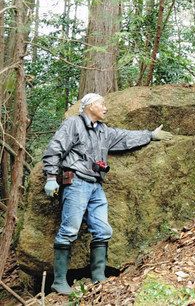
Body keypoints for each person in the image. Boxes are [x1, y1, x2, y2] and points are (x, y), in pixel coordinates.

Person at [42, 93, 173, 295]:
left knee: (103, 230)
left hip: (95, 185)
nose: (105, 107)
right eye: (101, 104)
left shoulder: (103, 131)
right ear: (89, 106)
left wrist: (150, 135)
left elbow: (125, 137)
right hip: (76, 182)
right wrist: (51, 177)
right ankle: (59, 281)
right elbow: (55, 148)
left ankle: (98, 276)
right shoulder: (73, 124)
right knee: (69, 230)